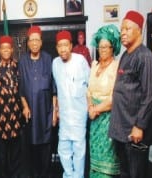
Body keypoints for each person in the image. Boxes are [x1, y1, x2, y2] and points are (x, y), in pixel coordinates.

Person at [108, 10, 152, 178]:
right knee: (124, 173)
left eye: (127, 29)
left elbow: (150, 95)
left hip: (133, 131)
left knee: (136, 173)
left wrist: (140, 126)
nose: (122, 33)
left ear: (139, 30)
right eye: (121, 29)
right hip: (121, 130)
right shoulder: (125, 55)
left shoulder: (146, 57)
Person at [18, 26, 58, 178]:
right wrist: (25, 106)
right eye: (31, 40)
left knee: (46, 146)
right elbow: (20, 88)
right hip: (31, 112)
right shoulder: (22, 61)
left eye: (37, 39)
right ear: (28, 43)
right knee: (31, 146)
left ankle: (45, 175)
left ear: (41, 42)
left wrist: (54, 111)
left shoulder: (49, 59)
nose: (34, 43)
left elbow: (54, 87)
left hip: (46, 111)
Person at [52, 30, 90, 178]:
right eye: (60, 46)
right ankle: (68, 175)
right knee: (63, 150)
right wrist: (56, 110)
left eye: (65, 45)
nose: (63, 49)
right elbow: (56, 88)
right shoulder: (55, 63)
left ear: (71, 45)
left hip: (79, 115)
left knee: (79, 152)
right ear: (56, 47)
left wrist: (90, 107)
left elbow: (90, 85)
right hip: (65, 116)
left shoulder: (80, 60)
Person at [88, 24, 121, 177]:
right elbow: (88, 91)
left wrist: (96, 109)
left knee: (107, 161)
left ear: (112, 47)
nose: (102, 50)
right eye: (100, 47)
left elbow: (115, 98)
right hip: (93, 120)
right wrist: (90, 107)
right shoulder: (94, 65)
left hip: (108, 120)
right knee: (94, 157)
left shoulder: (116, 67)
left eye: (106, 47)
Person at [0, 35, 22, 178]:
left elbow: (22, 90)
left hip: (15, 116)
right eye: (3, 49)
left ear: (12, 50)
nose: (6, 51)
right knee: (2, 154)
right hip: (1, 117)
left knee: (15, 153)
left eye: (8, 48)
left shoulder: (17, 66)